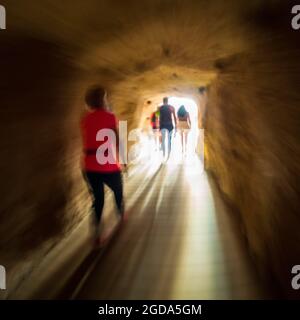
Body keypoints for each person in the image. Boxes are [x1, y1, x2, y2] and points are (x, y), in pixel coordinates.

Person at [81, 86, 126, 246]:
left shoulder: (85, 119)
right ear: (103, 100)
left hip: (89, 166)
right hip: (108, 165)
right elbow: (116, 139)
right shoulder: (110, 117)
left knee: (98, 199)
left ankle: (96, 233)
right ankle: (120, 214)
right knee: (118, 190)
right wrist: (123, 158)